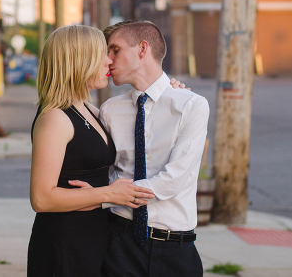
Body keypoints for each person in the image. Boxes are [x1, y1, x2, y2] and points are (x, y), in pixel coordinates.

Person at [72, 20, 209, 277]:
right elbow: (107, 169)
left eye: (115, 50)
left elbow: (173, 180)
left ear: (142, 49)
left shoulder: (191, 105)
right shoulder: (110, 110)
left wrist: (106, 196)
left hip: (175, 249)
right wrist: (101, 194)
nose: (108, 60)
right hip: (119, 243)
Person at [27, 25, 156, 277]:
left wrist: (171, 91)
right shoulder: (55, 118)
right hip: (63, 244)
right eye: (102, 54)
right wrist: (108, 194)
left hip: (91, 239)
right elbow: (41, 199)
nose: (109, 61)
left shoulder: (89, 109)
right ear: (79, 60)